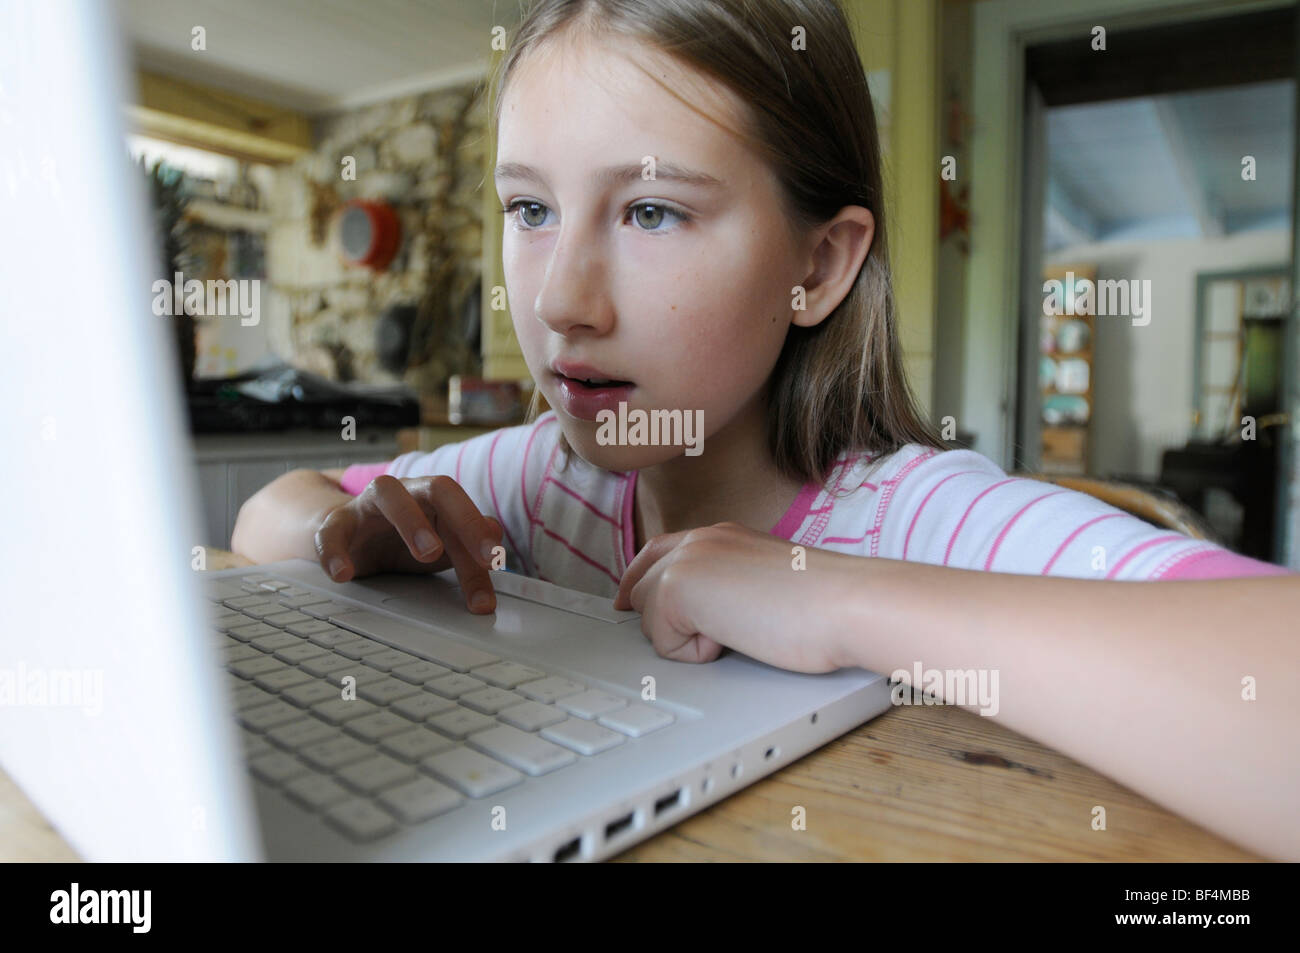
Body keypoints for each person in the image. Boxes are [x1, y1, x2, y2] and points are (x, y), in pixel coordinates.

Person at [232, 0, 1299, 861]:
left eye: (651, 212)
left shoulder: (914, 518)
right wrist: (352, 529)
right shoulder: (537, 475)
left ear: (817, 265)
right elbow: (269, 510)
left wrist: (832, 594)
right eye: (529, 209)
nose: (560, 299)